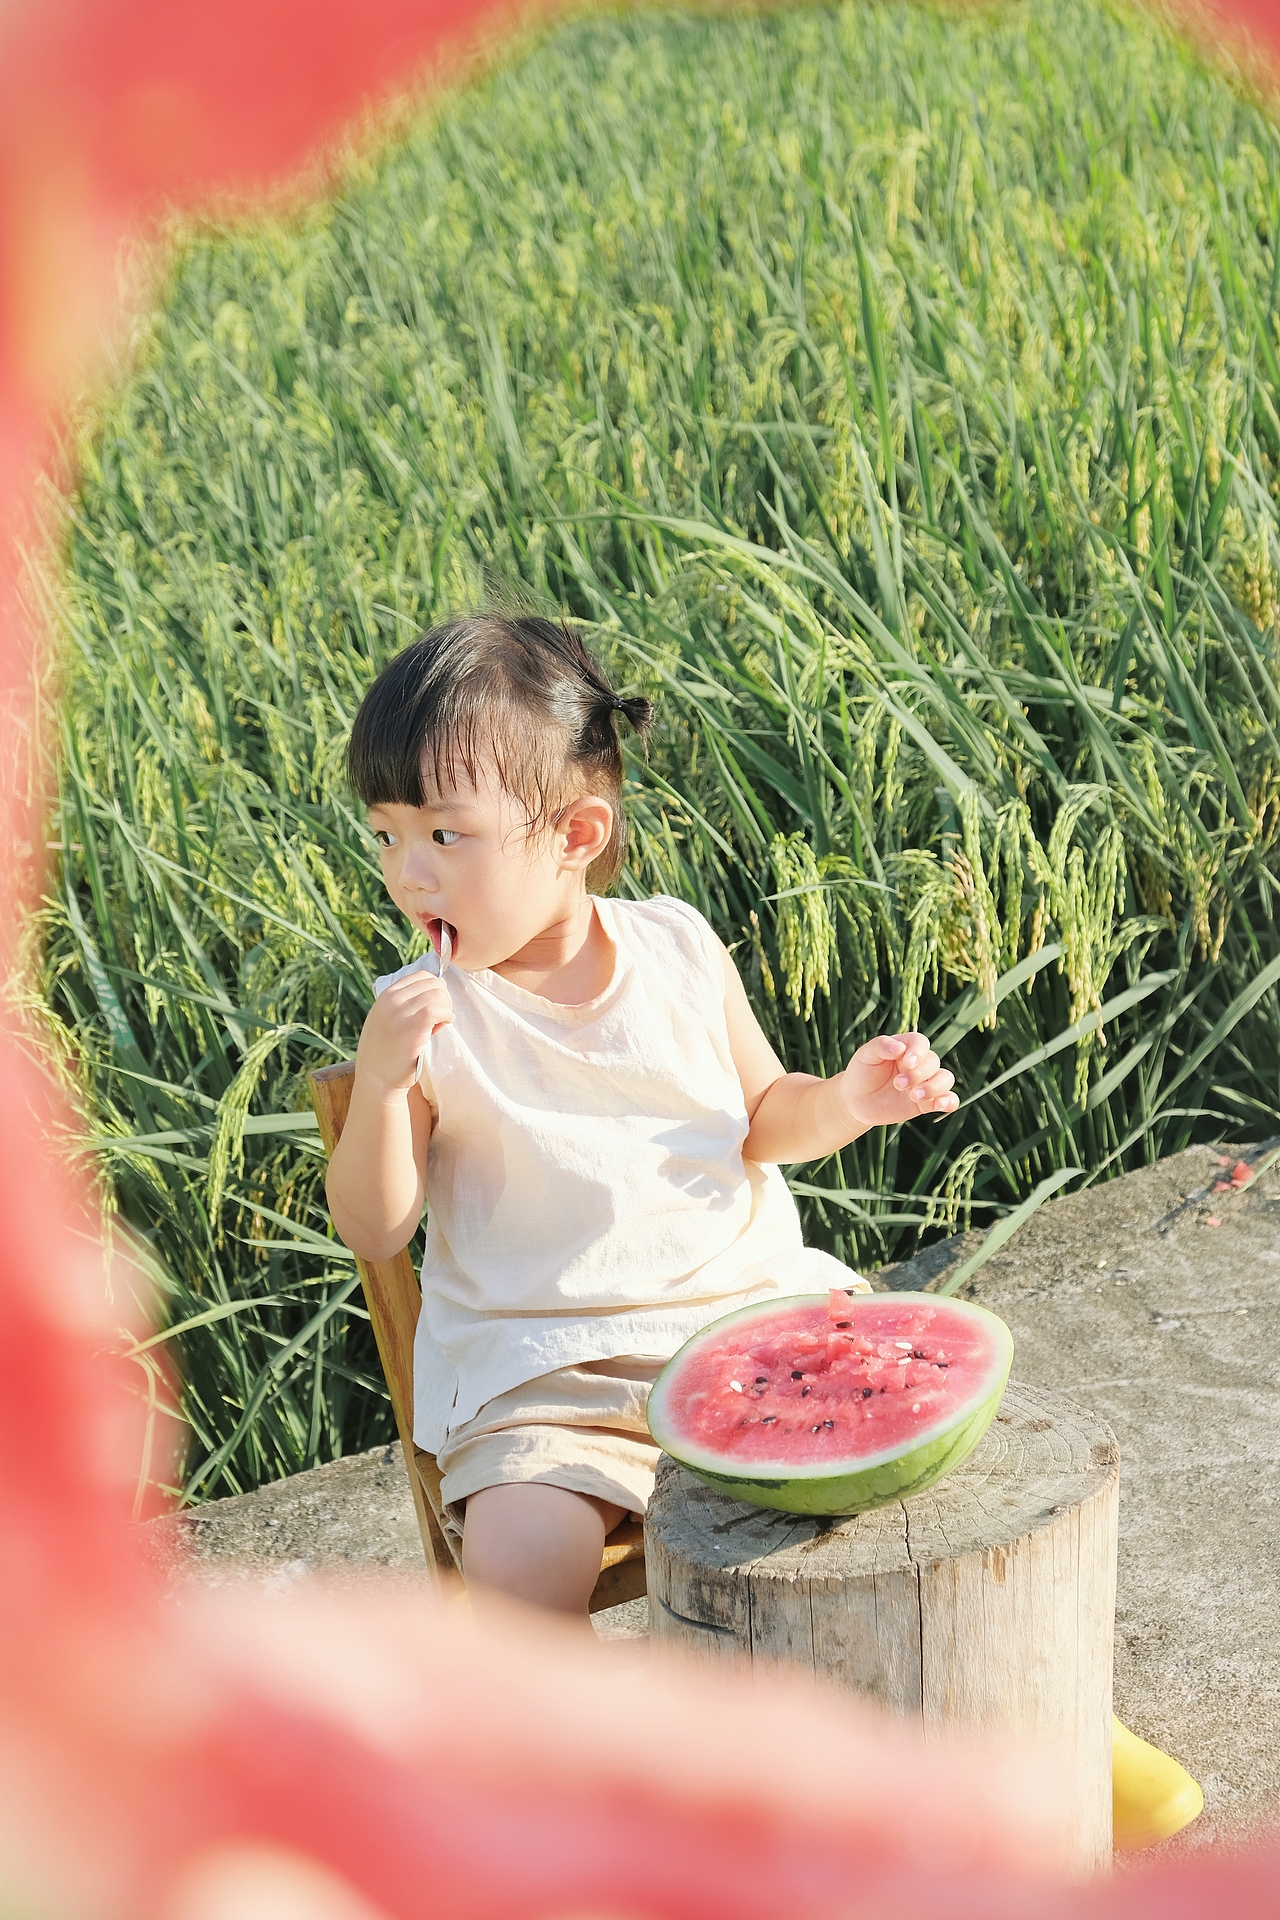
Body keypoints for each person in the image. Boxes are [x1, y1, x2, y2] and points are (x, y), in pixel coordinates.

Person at [326, 611, 959, 1618]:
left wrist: (844, 1100)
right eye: (387, 835)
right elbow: (375, 1224)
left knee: (933, 1479)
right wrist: (384, 1081)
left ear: (576, 833)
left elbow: (761, 1119)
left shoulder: (677, 948)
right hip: (549, 1378)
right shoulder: (431, 1019)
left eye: (446, 834)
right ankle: (579, 1769)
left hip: (744, 1324)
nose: (410, 874)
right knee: (518, 1569)